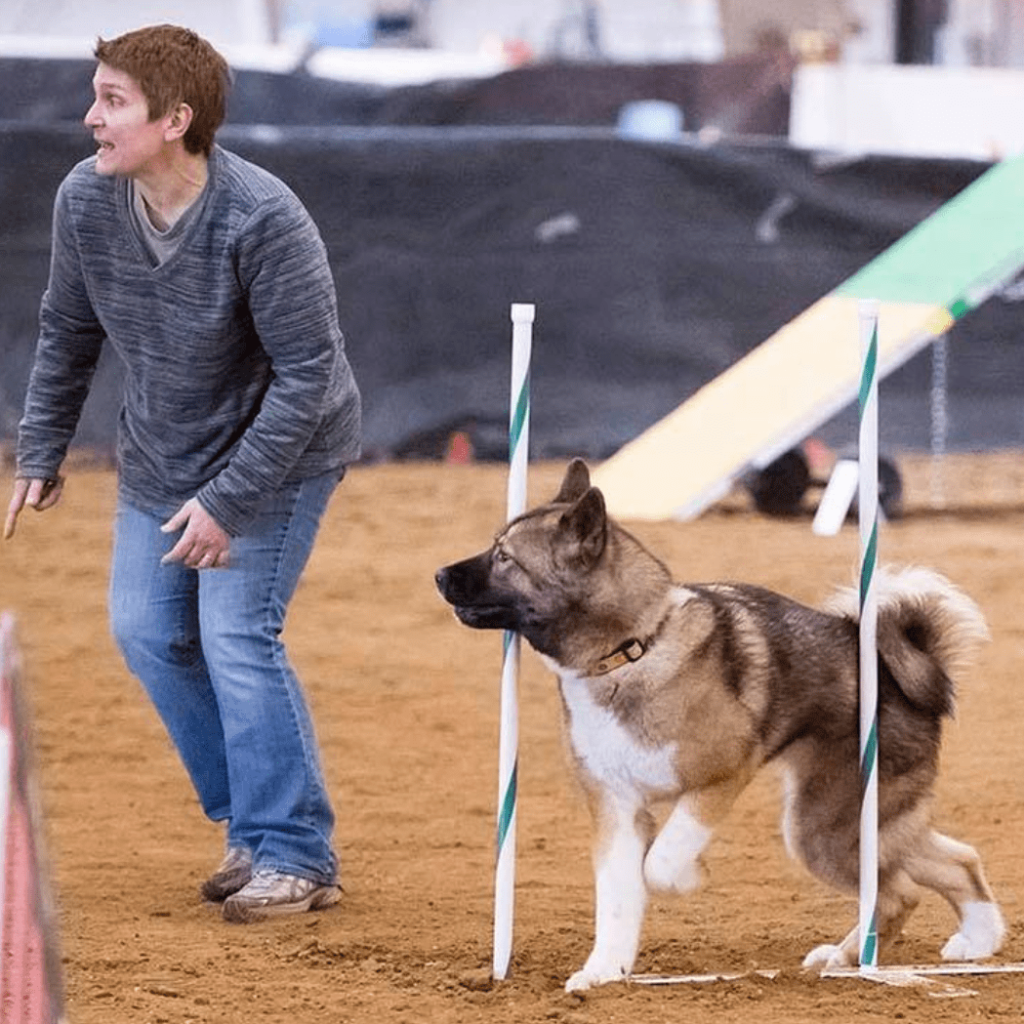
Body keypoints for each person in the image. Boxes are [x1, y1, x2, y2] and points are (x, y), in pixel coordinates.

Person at [3, 24, 361, 923]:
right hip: (163, 452)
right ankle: (248, 825)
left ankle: (296, 854)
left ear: (177, 120)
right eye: (97, 96)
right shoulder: (85, 201)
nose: (90, 118)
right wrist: (41, 448)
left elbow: (308, 377)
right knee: (146, 633)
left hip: (279, 454)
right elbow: (68, 328)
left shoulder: (264, 217)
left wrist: (229, 504)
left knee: (238, 638)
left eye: (112, 101)